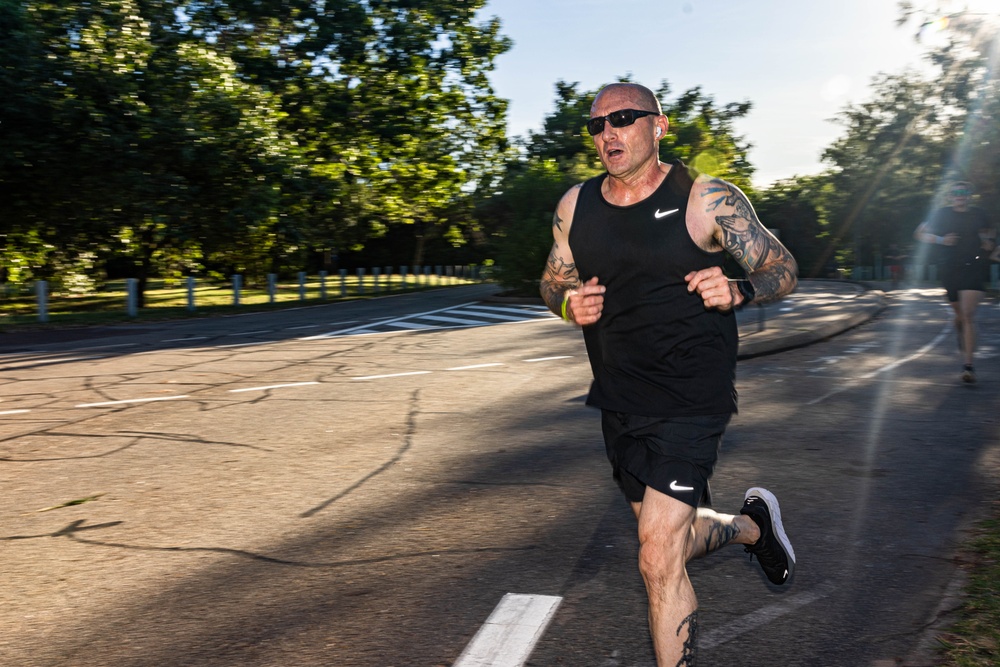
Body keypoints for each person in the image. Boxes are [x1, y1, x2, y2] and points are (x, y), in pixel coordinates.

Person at [539, 82, 799, 666]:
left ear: (659, 126)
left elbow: (781, 267)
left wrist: (739, 287)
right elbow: (552, 281)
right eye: (597, 124)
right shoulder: (574, 207)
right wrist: (565, 304)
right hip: (619, 397)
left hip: (691, 395)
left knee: (657, 556)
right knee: (670, 540)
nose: (608, 132)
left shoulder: (705, 199)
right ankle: (753, 528)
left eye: (624, 118)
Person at [914, 181, 996, 383]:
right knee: (959, 314)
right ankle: (961, 328)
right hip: (950, 268)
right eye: (956, 192)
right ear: (950, 196)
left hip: (974, 265)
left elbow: (990, 231)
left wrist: (989, 241)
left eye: (964, 192)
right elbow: (919, 234)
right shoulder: (940, 213)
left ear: (969, 195)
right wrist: (942, 240)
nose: (960, 195)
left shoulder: (979, 213)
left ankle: (968, 366)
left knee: (968, 314)